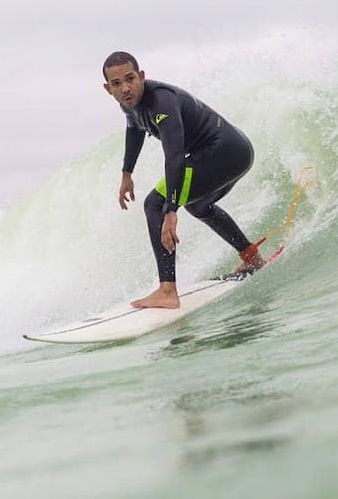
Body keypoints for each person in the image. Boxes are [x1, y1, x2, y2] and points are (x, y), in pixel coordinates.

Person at [102, 51, 267, 308]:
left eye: (130, 79)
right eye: (117, 83)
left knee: (154, 204)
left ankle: (167, 290)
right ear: (108, 89)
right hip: (233, 152)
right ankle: (252, 257)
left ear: (141, 76)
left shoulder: (161, 102)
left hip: (224, 152)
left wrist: (170, 209)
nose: (125, 88)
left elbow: (175, 156)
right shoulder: (129, 104)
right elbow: (134, 129)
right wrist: (127, 174)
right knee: (198, 205)